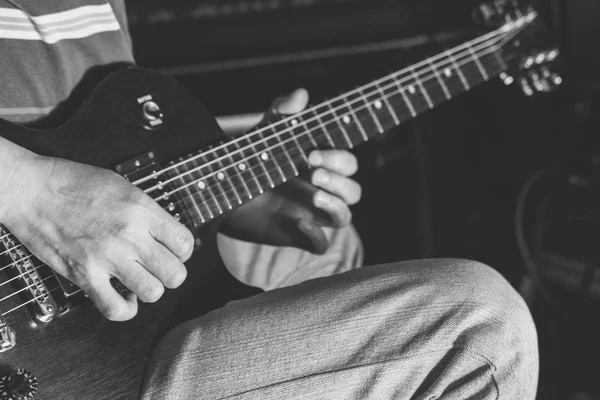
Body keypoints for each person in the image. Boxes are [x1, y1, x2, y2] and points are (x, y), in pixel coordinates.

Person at [0, 1, 539, 398]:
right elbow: (61, 189)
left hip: (103, 346)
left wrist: (221, 197)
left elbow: (101, 149)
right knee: (480, 328)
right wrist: (30, 188)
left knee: (339, 250)